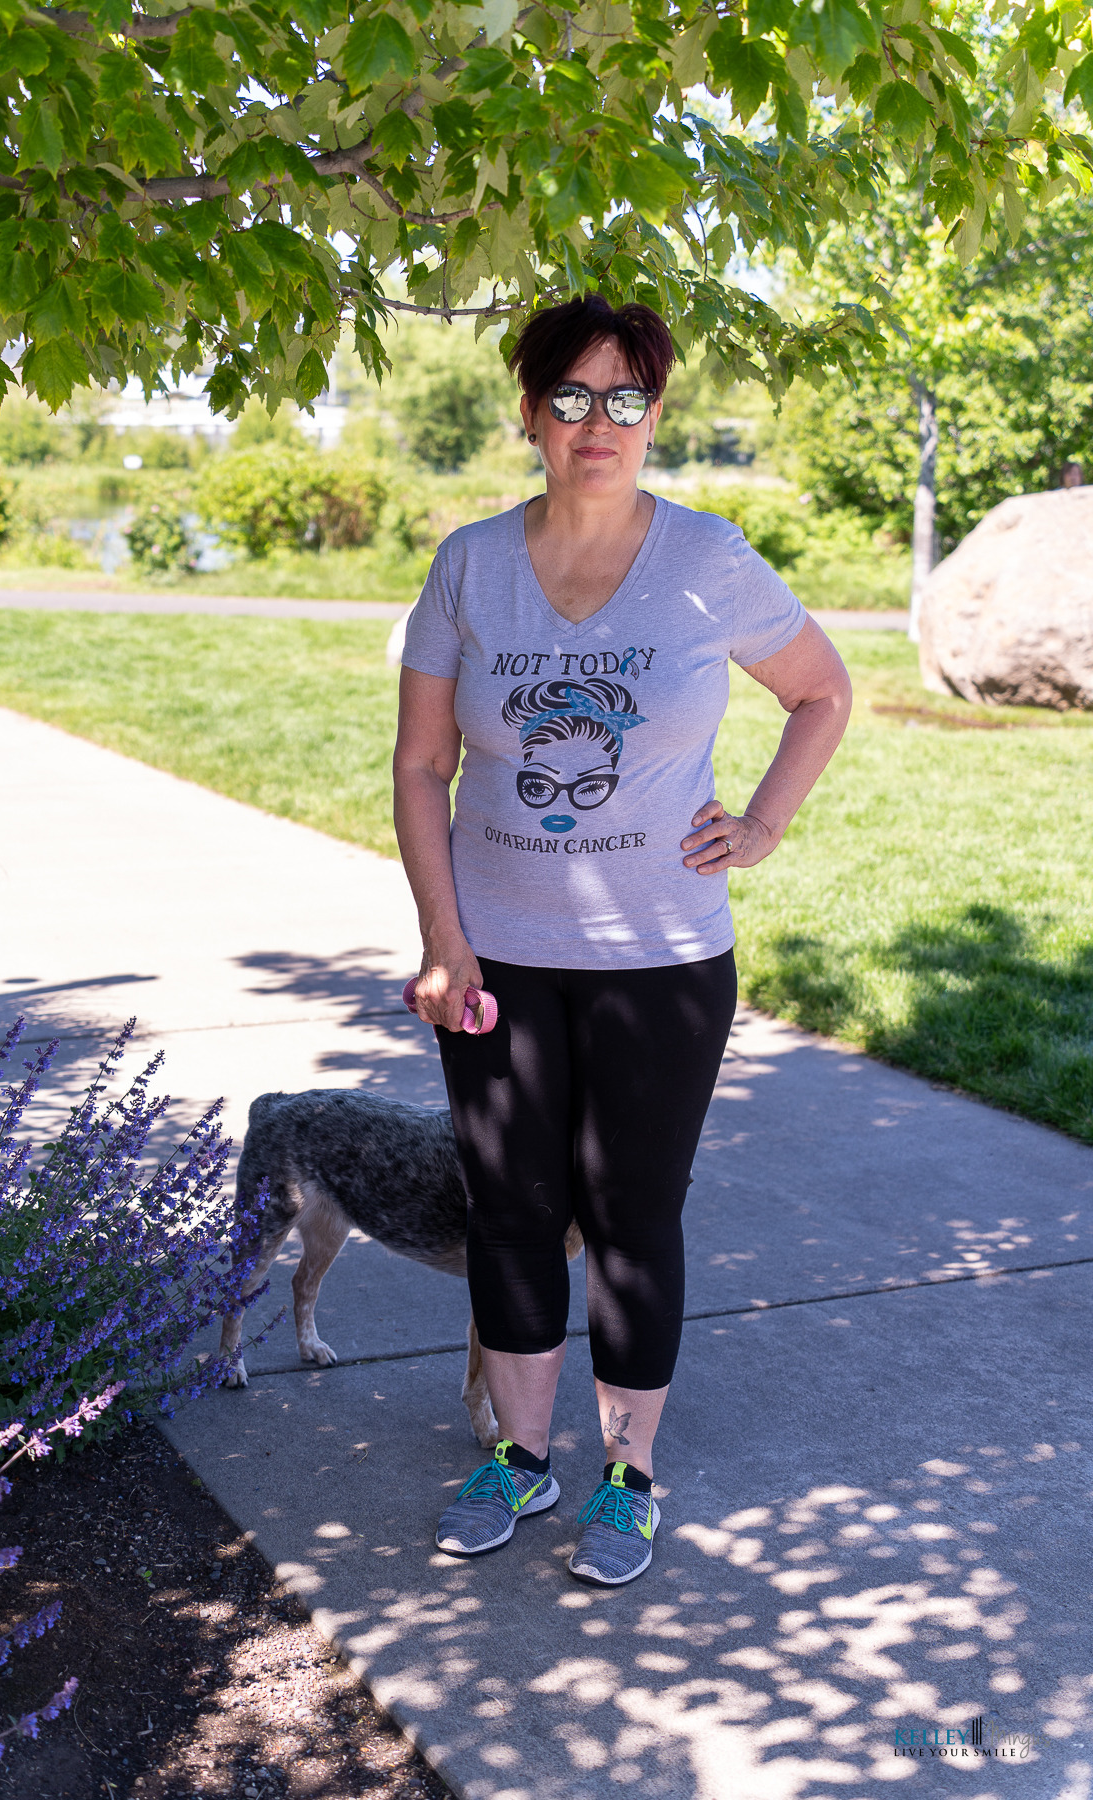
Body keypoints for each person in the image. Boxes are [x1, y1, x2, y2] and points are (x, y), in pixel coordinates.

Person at [392, 293, 852, 1587]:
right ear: (531, 413)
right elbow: (423, 764)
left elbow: (822, 690)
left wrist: (761, 823)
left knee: (634, 1216)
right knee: (510, 1212)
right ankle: (522, 1462)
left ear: (656, 414)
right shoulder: (469, 565)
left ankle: (632, 1478)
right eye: (573, 397)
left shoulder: (707, 560)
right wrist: (445, 937)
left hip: (661, 962)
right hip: (497, 958)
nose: (600, 423)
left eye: (627, 397)